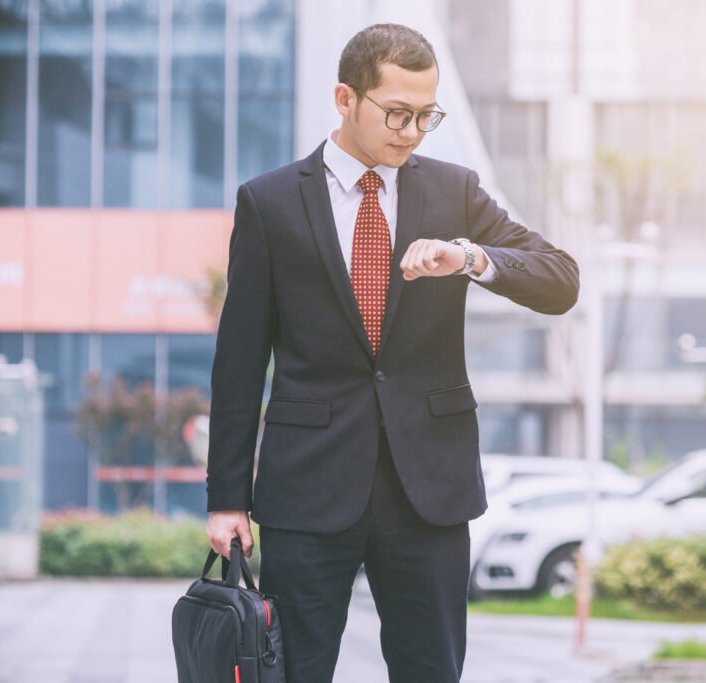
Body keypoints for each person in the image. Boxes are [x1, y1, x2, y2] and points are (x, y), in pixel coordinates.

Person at [206, 23, 579, 683]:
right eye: (397, 113)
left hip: (428, 489)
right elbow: (239, 363)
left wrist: (469, 257)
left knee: (432, 670)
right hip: (308, 487)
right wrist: (226, 499)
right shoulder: (269, 203)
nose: (411, 131)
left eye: (425, 116)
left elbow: (558, 279)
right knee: (294, 670)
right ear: (345, 99)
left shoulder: (453, 192)